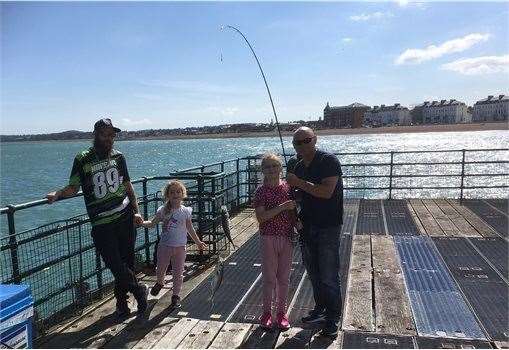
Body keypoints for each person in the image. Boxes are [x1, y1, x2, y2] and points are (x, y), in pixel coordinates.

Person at [46, 118, 148, 318]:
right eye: (105, 134)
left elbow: (128, 186)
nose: (109, 139)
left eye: (112, 135)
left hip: (124, 216)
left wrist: (136, 211)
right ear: (96, 135)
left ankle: (121, 304)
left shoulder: (119, 157)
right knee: (115, 264)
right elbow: (74, 187)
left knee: (126, 263)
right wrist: (58, 193)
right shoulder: (83, 158)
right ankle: (138, 290)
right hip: (101, 223)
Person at [286, 126, 344, 338]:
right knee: (313, 273)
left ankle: (333, 316)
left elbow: (326, 192)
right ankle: (320, 308)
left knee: (329, 274)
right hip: (307, 226)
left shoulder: (328, 161)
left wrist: (298, 183)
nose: (302, 145)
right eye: (297, 143)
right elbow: (298, 197)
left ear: (315, 139)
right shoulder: (299, 167)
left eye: (306, 140)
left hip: (328, 225)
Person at [141, 180, 206, 308]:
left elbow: (190, 228)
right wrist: (142, 223)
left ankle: (175, 296)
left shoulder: (185, 211)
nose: (175, 194)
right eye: (172, 192)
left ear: (183, 194)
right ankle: (160, 282)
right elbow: (152, 224)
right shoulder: (163, 211)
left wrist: (198, 242)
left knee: (178, 273)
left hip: (180, 247)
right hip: (165, 246)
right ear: (167, 195)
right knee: (160, 269)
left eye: (178, 191)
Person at [253, 153, 298, 330]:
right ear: (262, 170)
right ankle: (266, 313)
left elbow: (292, 212)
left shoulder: (288, 188)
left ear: (280, 168)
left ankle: (281, 313)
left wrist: (296, 221)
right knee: (269, 278)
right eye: (267, 167)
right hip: (268, 238)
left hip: (287, 237)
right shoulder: (260, 191)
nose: (271, 170)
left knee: (284, 278)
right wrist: (282, 207)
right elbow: (261, 217)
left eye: (275, 166)